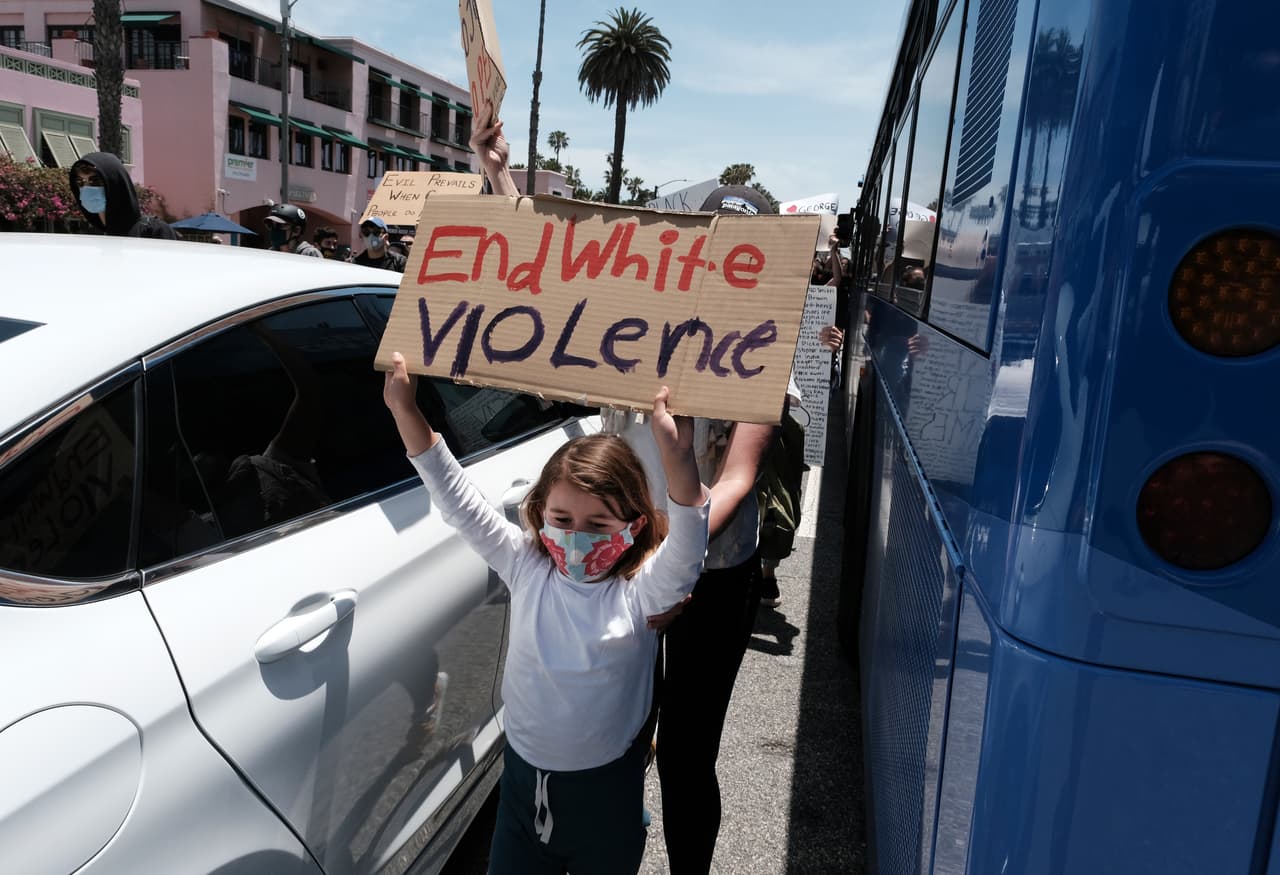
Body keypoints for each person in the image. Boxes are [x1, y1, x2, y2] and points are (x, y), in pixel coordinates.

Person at [382, 351, 709, 875]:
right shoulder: (526, 565)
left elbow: (688, 550)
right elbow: (458, 499)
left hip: (604, 800)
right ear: (539, 514)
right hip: (519, 788)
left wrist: (680, 462)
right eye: (561, 518)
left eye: (598, 524)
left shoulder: (641, 595)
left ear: (635, 525)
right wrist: (405, 410)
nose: (576, 537)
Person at [69, 151, 176, 239]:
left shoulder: (154, 231)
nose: (86, 188)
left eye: (95, 181)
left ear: (115, 184)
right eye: (80, 182)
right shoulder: (89, 238)